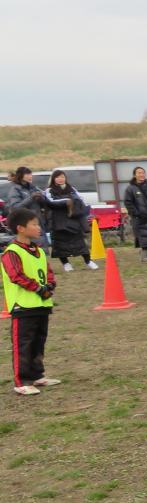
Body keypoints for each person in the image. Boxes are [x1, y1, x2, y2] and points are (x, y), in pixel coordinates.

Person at [2, 208, 58, 396]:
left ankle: (37, 375)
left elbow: (48, 272)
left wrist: (50, 285)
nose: (38, 227)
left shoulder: (39, 251)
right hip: (23, 306)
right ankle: (22, 381)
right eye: (34, 224)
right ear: (20, 228)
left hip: (41, 305)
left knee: (38, 342)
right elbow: (16, 275)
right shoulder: (12, 252)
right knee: (23, 345)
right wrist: (38, 289)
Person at [43, 169, 96, 270]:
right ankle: (66, 264)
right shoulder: (49, 190)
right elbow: (51, 201)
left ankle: (88, 261)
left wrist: (84, 211)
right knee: (60, 245)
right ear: (53, 179)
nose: (60, 179)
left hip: (73, 220)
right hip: (58, 222)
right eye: (58, 177)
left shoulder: (72, 189)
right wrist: (67, 201)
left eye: (62, 177)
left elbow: (81, 200)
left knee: (80, 242)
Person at [2, 168, 47, 247]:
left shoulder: (33, 188)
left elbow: (45, 204)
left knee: (42, 251)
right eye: (27, 174)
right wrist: (31, 198)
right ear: (21, 176)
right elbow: (15, 208)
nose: (30, 176)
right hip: (26, 225)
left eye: (30, 174)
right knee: (29, 250)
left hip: (38, 224)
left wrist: (41, 198)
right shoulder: (15, 189)